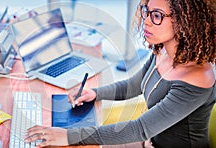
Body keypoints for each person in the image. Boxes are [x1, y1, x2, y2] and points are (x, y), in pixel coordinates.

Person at [25, 0, 216, 147]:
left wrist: (67, 136)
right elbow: (136, 84)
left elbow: (139, 129)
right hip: (149, 141)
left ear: (186, 21)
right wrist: (95, 93)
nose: (146, 22)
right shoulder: (164, 50)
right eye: (146, 11)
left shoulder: (198, 78)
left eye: (157, 16)